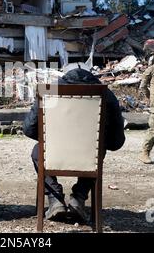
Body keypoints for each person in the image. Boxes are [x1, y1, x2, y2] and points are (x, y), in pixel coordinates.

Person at [23, 68, 126, 222]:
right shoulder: (108, 96)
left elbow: (29, 128)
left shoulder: (48, 91)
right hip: (89, 155)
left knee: (38, 152)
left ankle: (55, 199)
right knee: (99, 150)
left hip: (54, 152)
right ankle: (78, 198)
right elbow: (116, 142)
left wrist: (50, 138)